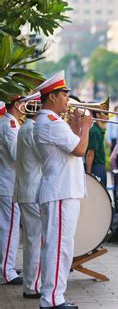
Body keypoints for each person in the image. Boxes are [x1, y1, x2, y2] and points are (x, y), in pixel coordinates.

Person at [33, 70, 92, 309]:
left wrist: (77, 126)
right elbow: (79, 150)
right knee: (59, 248)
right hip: (59, 192)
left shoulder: (53, 121)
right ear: (51, 97)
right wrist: (85, 127)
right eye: (64, 95)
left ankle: (54, 296)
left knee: (61, 246)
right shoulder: (50, 122)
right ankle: (52, 299)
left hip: (62, 191)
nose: (68, 100)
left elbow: (72, 147)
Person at [14, 96, 42, 298]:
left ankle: (32, 284)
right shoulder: (32, 129)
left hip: (27, 190)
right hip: (33, 192)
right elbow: (46, 157)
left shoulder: (25, 127)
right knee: (35, 241)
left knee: (32, 240)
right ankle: (33, 286)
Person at [0, 95, 24, 286]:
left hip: (8, 183)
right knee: (10, 229)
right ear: (17, 105)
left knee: (8, 227)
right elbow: (17, 156)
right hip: (9, 183)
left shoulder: (12, 123)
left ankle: (6, 266)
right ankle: (7, 271)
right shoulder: (11, 125)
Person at [86, 110, 108, 187]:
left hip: (100, 166)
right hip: (96, 167)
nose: (107, 116)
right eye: (105, 113)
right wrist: (88, 174)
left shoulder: (98, 129)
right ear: (98, 115)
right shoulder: (95, 131)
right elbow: (90, 154)